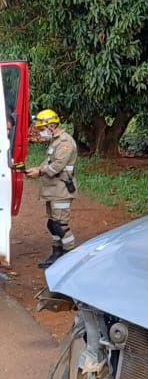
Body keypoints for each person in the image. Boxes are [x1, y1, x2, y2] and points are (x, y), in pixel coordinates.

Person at [25, 109, 78, 269]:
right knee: (53, 223)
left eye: (42, 129)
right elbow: (48, 161)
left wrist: (39, 172)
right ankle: (57, 254)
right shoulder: (55, 142)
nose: (40, 133)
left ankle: (70, 257)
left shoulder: (65, 142)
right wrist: (36, 168)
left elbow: (57, 166)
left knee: (61, 225)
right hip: (53, 190)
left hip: (61, 190)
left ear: (52, 125)